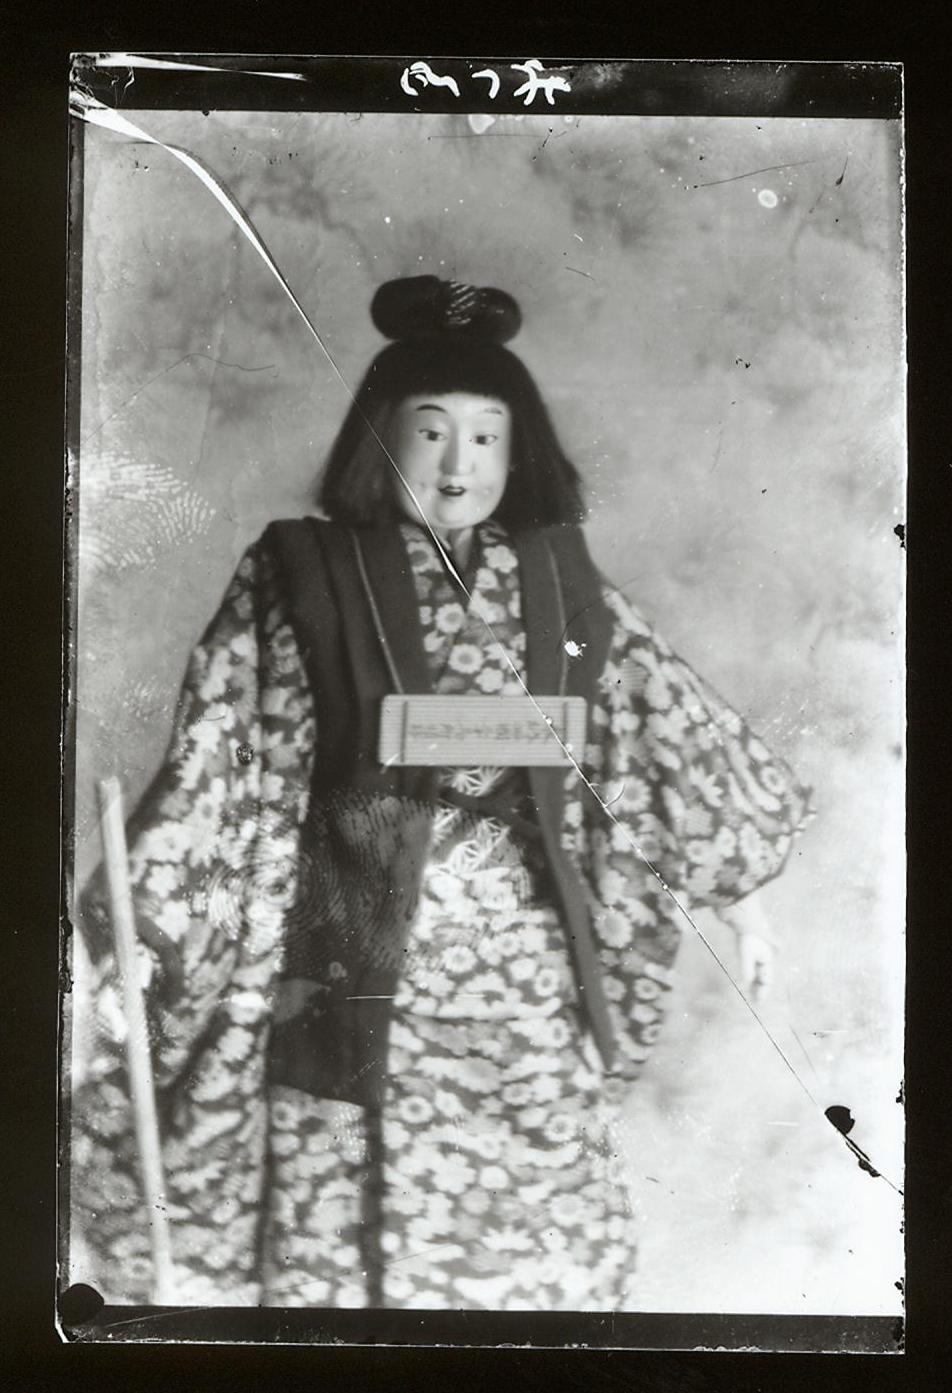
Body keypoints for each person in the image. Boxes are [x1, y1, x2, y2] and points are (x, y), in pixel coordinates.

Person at [72, 275, 812, 1311]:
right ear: (379, 439)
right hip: (350, 952)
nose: (458, 464)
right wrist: (139, 934)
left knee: (533, 1226)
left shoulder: (561, 583)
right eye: (429, 432)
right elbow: (225, 759)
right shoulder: (300, 573)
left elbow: (655, 733)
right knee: (343, 1217)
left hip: (520, 971)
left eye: (486, 436)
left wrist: (743, 897)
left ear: (519, 451)